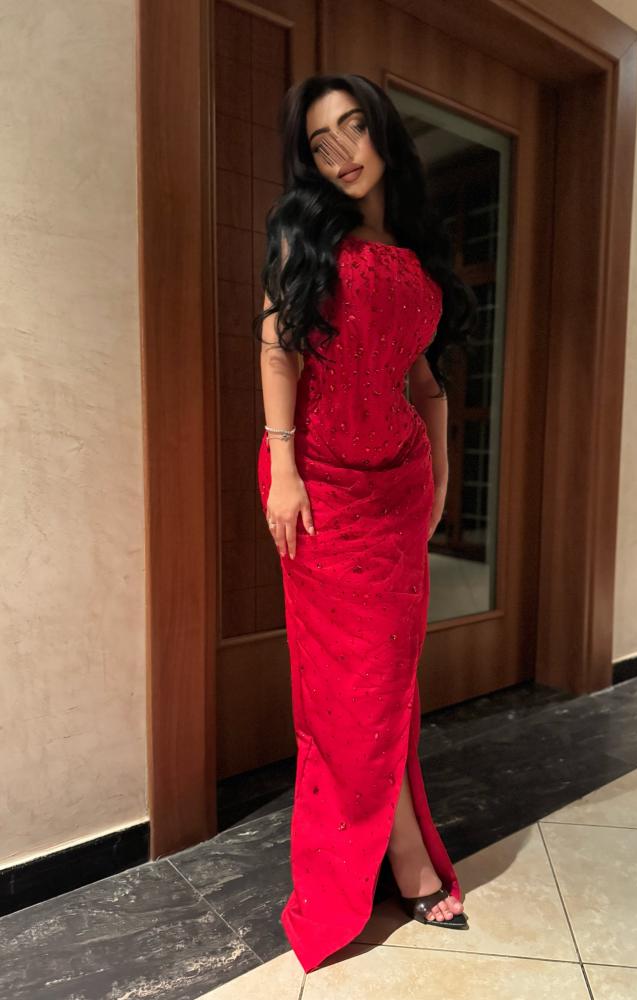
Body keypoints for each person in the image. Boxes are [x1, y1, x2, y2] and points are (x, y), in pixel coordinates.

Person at [254, 72, 477, 974]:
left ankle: (398, 841)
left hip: (399, 486)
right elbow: (278, 345)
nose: (342, 152)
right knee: (348, 688)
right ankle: (404, 857)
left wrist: (441, 475)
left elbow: (425, 381)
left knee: (391, 677)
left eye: (353, 127)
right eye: (321, 142)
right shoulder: (302, 231)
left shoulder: (418, 250)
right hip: (318, 485)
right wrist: (283, 469)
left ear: (384, 131)